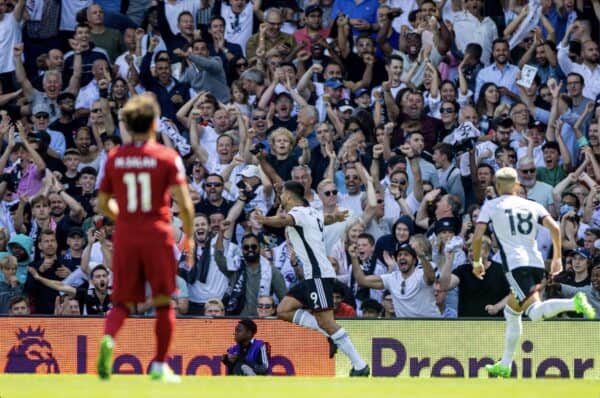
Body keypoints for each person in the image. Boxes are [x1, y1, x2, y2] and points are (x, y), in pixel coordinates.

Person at [95, 94, 195, 383]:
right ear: (153, 123)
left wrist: (125, 216)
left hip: (126, 235)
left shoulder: (115, 157)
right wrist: (188, 236)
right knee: (164, 301)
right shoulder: (166, 156)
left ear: (126, 123)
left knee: (121, 303)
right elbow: (185, 205)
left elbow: (103, 203)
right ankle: (159, 365)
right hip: (157, 233)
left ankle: (109, 340)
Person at [471, 167, 596, 378]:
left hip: (516, 265)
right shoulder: (533, 205)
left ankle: (574, 302)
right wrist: (557, 258)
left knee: (535, 313)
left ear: (498, 185)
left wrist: (476, 262)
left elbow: (477, 236)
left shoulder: (491, 206)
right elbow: (555, 229)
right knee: (511, 312)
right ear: (517, 184)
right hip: (536, 263)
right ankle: (506, 364)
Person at [255, 180, 369, 376]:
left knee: (326, 321)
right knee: (283, 310)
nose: (280, 198)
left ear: (289, 196)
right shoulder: (313, 213)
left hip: (318, 275)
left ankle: (360, 365)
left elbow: (283, 221)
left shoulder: (298, 214)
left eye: (282, 194)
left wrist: (263, 219)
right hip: (312, 276)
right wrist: (337, 217)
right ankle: (330, 336)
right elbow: (328, 218)